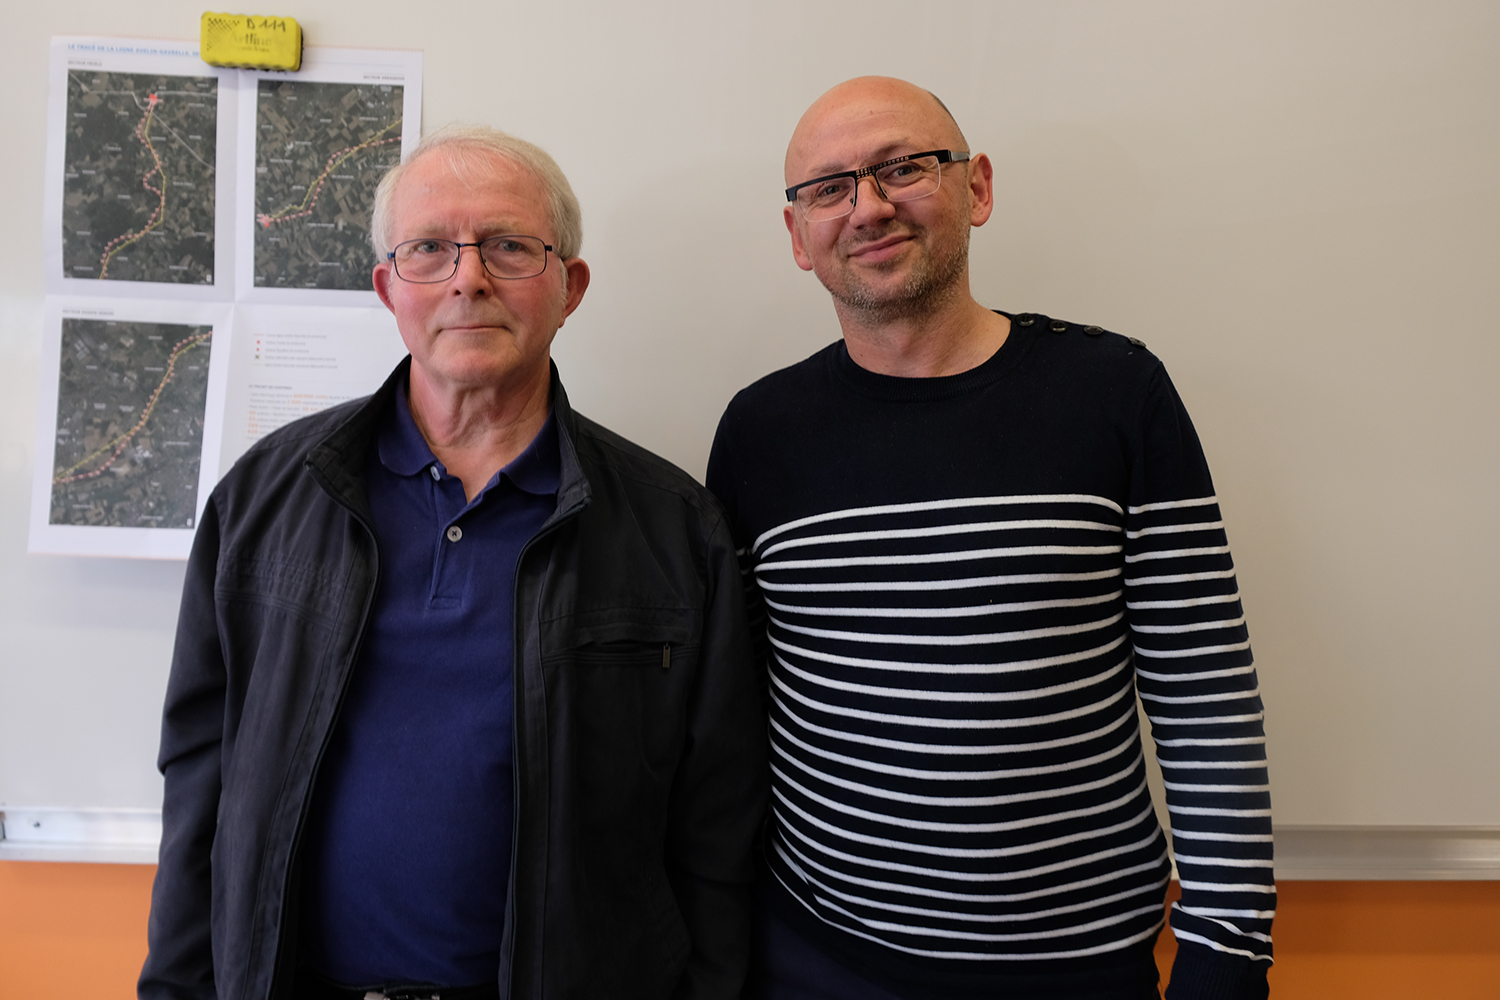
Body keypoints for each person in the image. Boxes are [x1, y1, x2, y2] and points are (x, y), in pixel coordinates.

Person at [139, 125, 767, 1000]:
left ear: (569, 286)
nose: (469, 276)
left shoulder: (672, 528)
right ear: (388, 287)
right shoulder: (267, 499)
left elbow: (717, 826)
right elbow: (200, 775)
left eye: (509, 247)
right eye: (430, 248)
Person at [706, 77, 1274, 1000]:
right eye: (829, 188)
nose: (870, 206)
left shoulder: (1116, 394)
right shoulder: (757, 433)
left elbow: (1204, 691)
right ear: (798, 237)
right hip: (816, 956)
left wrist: (1227, 948)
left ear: (976, 189)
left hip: (1079, 967)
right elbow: (733, 711)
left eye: (904, 168)